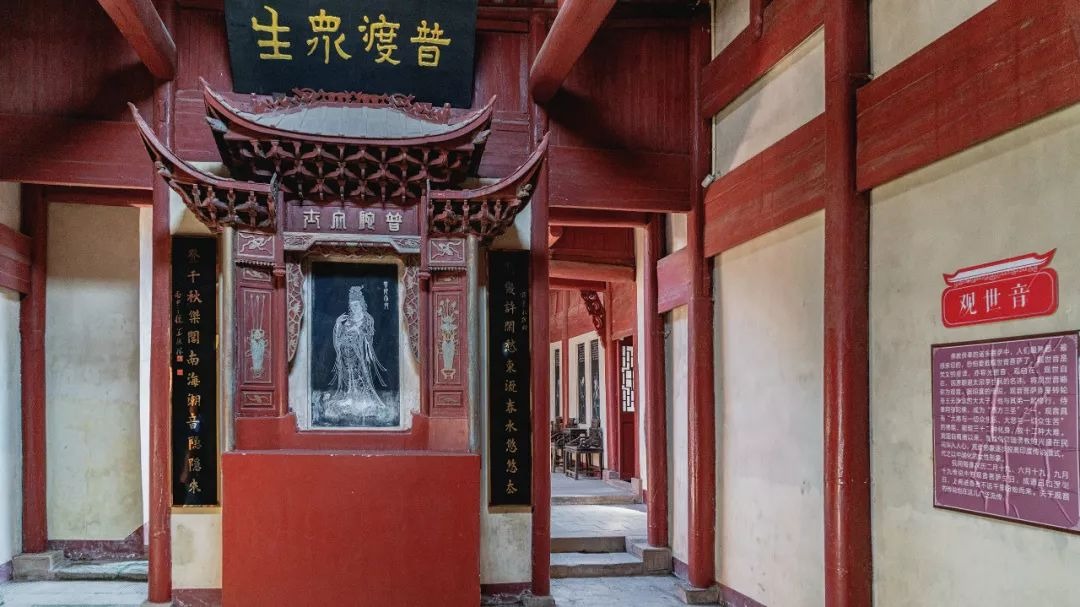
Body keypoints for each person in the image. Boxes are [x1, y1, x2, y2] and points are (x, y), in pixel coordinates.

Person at [322, 285, 391, 425]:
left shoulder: (367, 319)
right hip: (346, 355)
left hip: (360, 355)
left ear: (361, 304)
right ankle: (349, 396)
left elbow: (369, 337)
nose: (354, 308)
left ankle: (362, 399)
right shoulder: (347, 318)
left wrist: (358, 332)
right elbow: (339, 335)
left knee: (360, 376)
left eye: (356, 304)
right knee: (348, 376)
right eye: (351, 305)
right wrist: (337, 324)